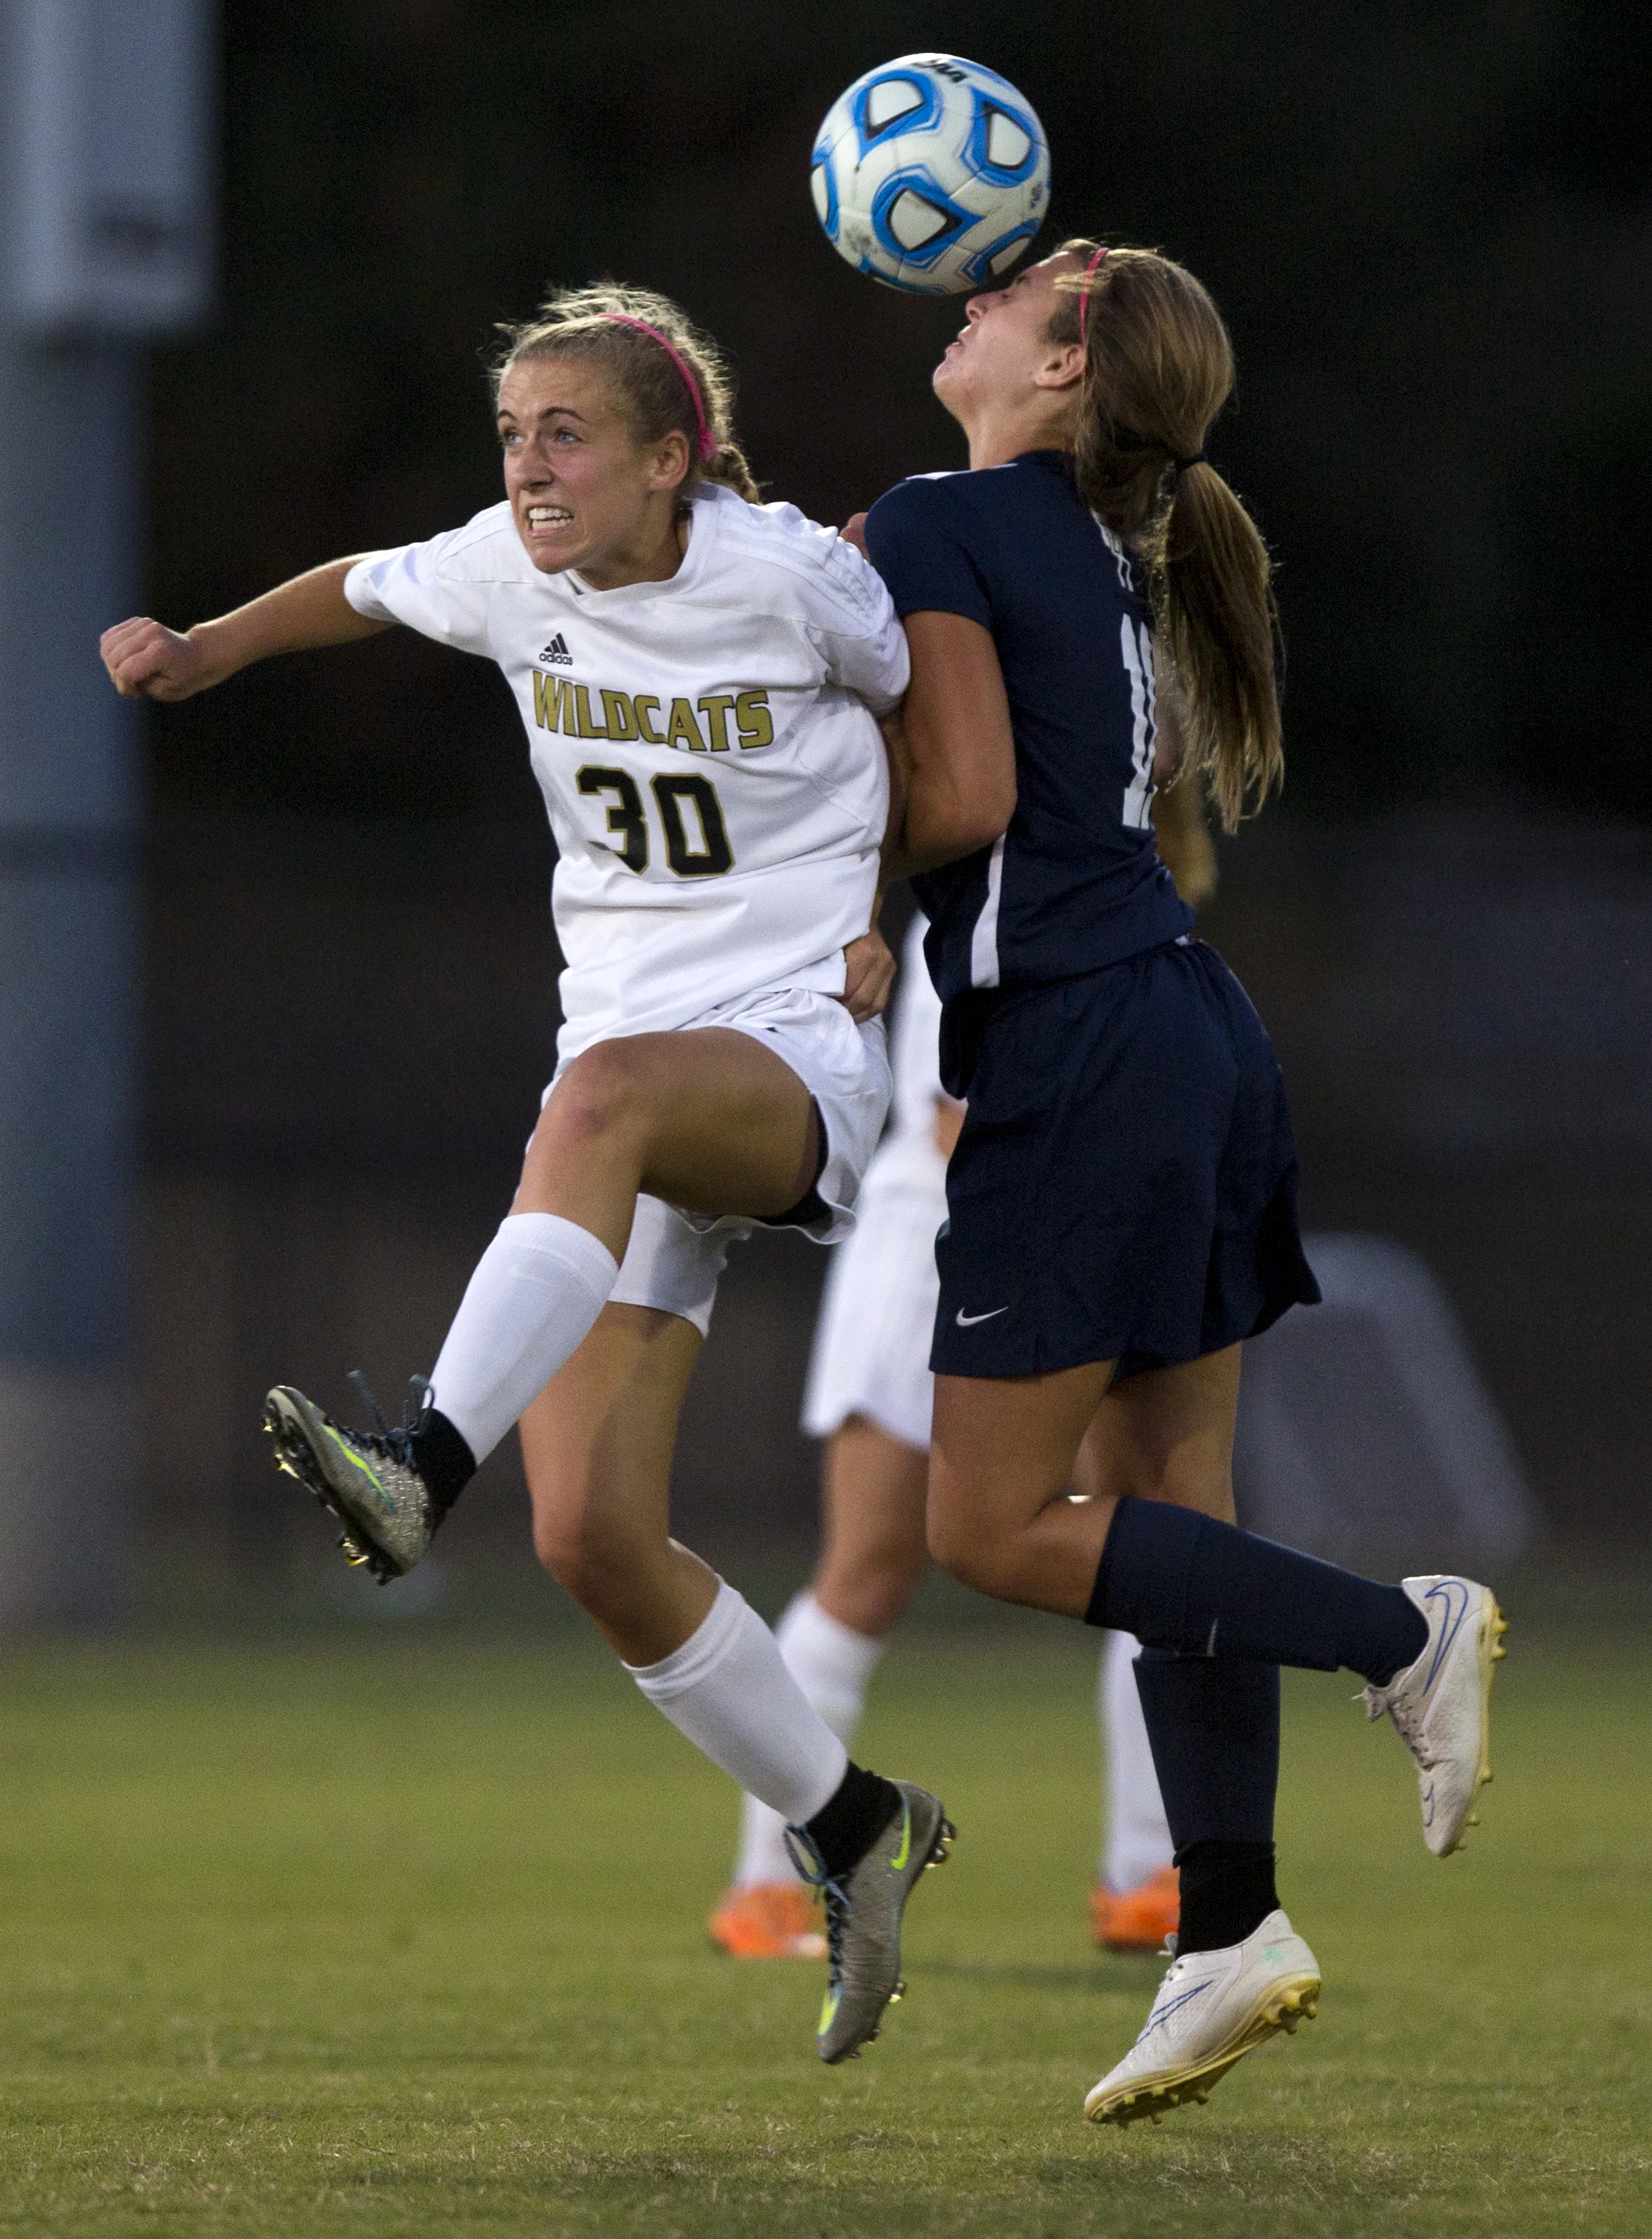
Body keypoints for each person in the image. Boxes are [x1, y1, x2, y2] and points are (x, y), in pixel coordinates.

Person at [99, 282, 952, 2068]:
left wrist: (886, 924)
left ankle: (415, 1466)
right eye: (512, 434)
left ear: (671, 454)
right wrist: (201, 649)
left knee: (603, 1098)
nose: (529, 465)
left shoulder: (789, 572)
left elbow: (930, 712)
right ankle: (858, 1826)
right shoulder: (508, 566)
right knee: (592, 1539)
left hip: (780, 1058)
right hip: (625, 1099)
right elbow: (356, 585)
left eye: (566, 433)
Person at [866, 240, 1506, 2125]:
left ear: (1063, 362)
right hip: (1177, 1024)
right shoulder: (1085, 538)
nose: (966, 298)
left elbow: (966, 802)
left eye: (1014, 290)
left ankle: (1401, 1631)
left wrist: (816, 808)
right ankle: (1221, 1921)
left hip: (1083, 1047)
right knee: (1169, 1504)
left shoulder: (951, 514)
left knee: (988, 1526)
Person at [708, 906, 1184, 1964]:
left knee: (1145, 1551)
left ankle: (1147, 1874)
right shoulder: (991, 918)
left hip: (1057, 1255)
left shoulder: (1131, 921)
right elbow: (957, 1130)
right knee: (866, 1573)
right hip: (932, 1254)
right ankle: (766, 1890)